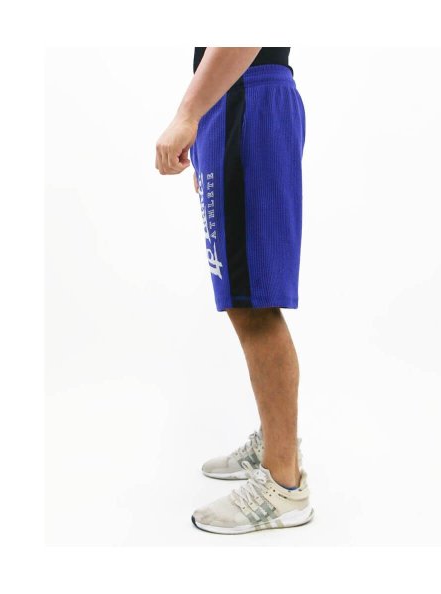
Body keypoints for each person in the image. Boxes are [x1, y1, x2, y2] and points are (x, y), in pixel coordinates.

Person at [155, 47, 312, 534]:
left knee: (254, 301)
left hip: (247, 94)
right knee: (245, 294)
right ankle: (276, 444)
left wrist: (188, 114)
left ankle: (282, 486)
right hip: (236, 99)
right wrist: (206, 125)